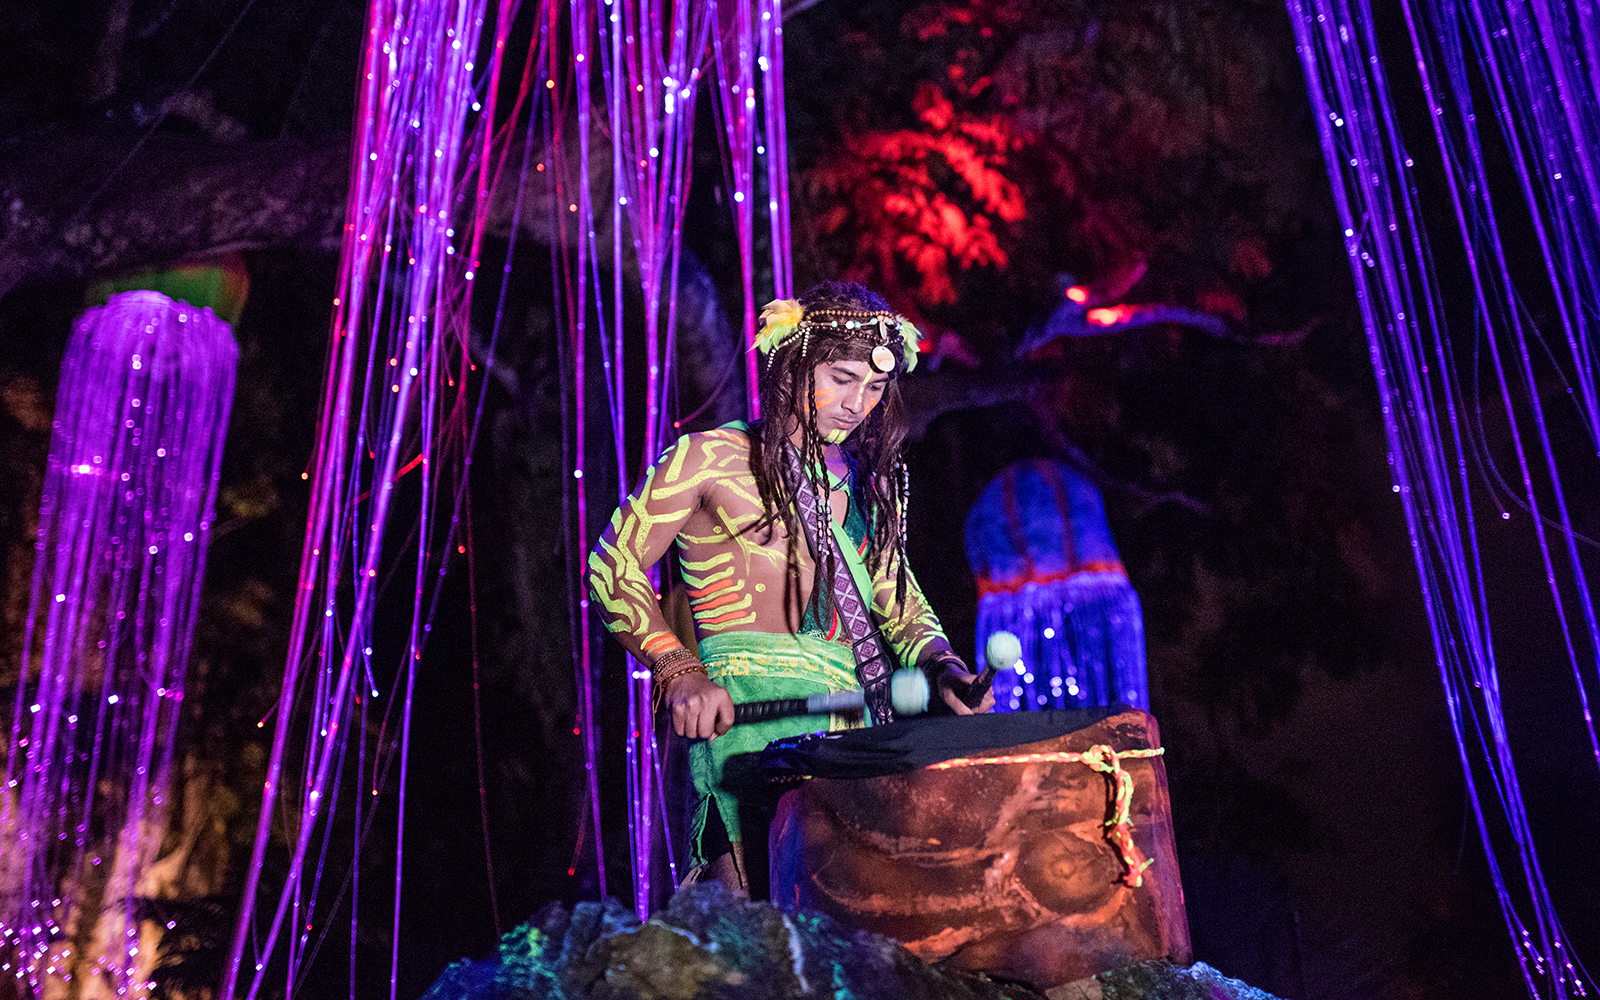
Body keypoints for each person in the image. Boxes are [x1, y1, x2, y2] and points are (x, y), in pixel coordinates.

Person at [585, 281, 992, 895]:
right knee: (755, 930)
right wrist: (679, 670)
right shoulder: (708, 457)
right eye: (842, 378)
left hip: (856, 727)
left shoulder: (869, 486)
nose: (857, 404)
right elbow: (612, 565)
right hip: (745, 724)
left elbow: (899, 601)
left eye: (875, 387)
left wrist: (945, 667)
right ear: (794, 364)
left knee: (852, 932)